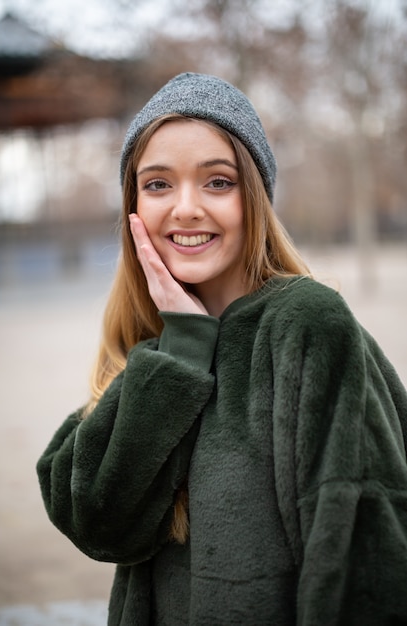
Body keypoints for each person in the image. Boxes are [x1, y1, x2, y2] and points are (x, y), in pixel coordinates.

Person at [37, 72, 407, 626]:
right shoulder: (152, 353)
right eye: (158, 184)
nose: (185, 208)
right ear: (133, 205)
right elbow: (97, 520)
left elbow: (364, 559)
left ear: (254, 197)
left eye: (217, 182)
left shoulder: (307, 325)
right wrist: (183, 348)